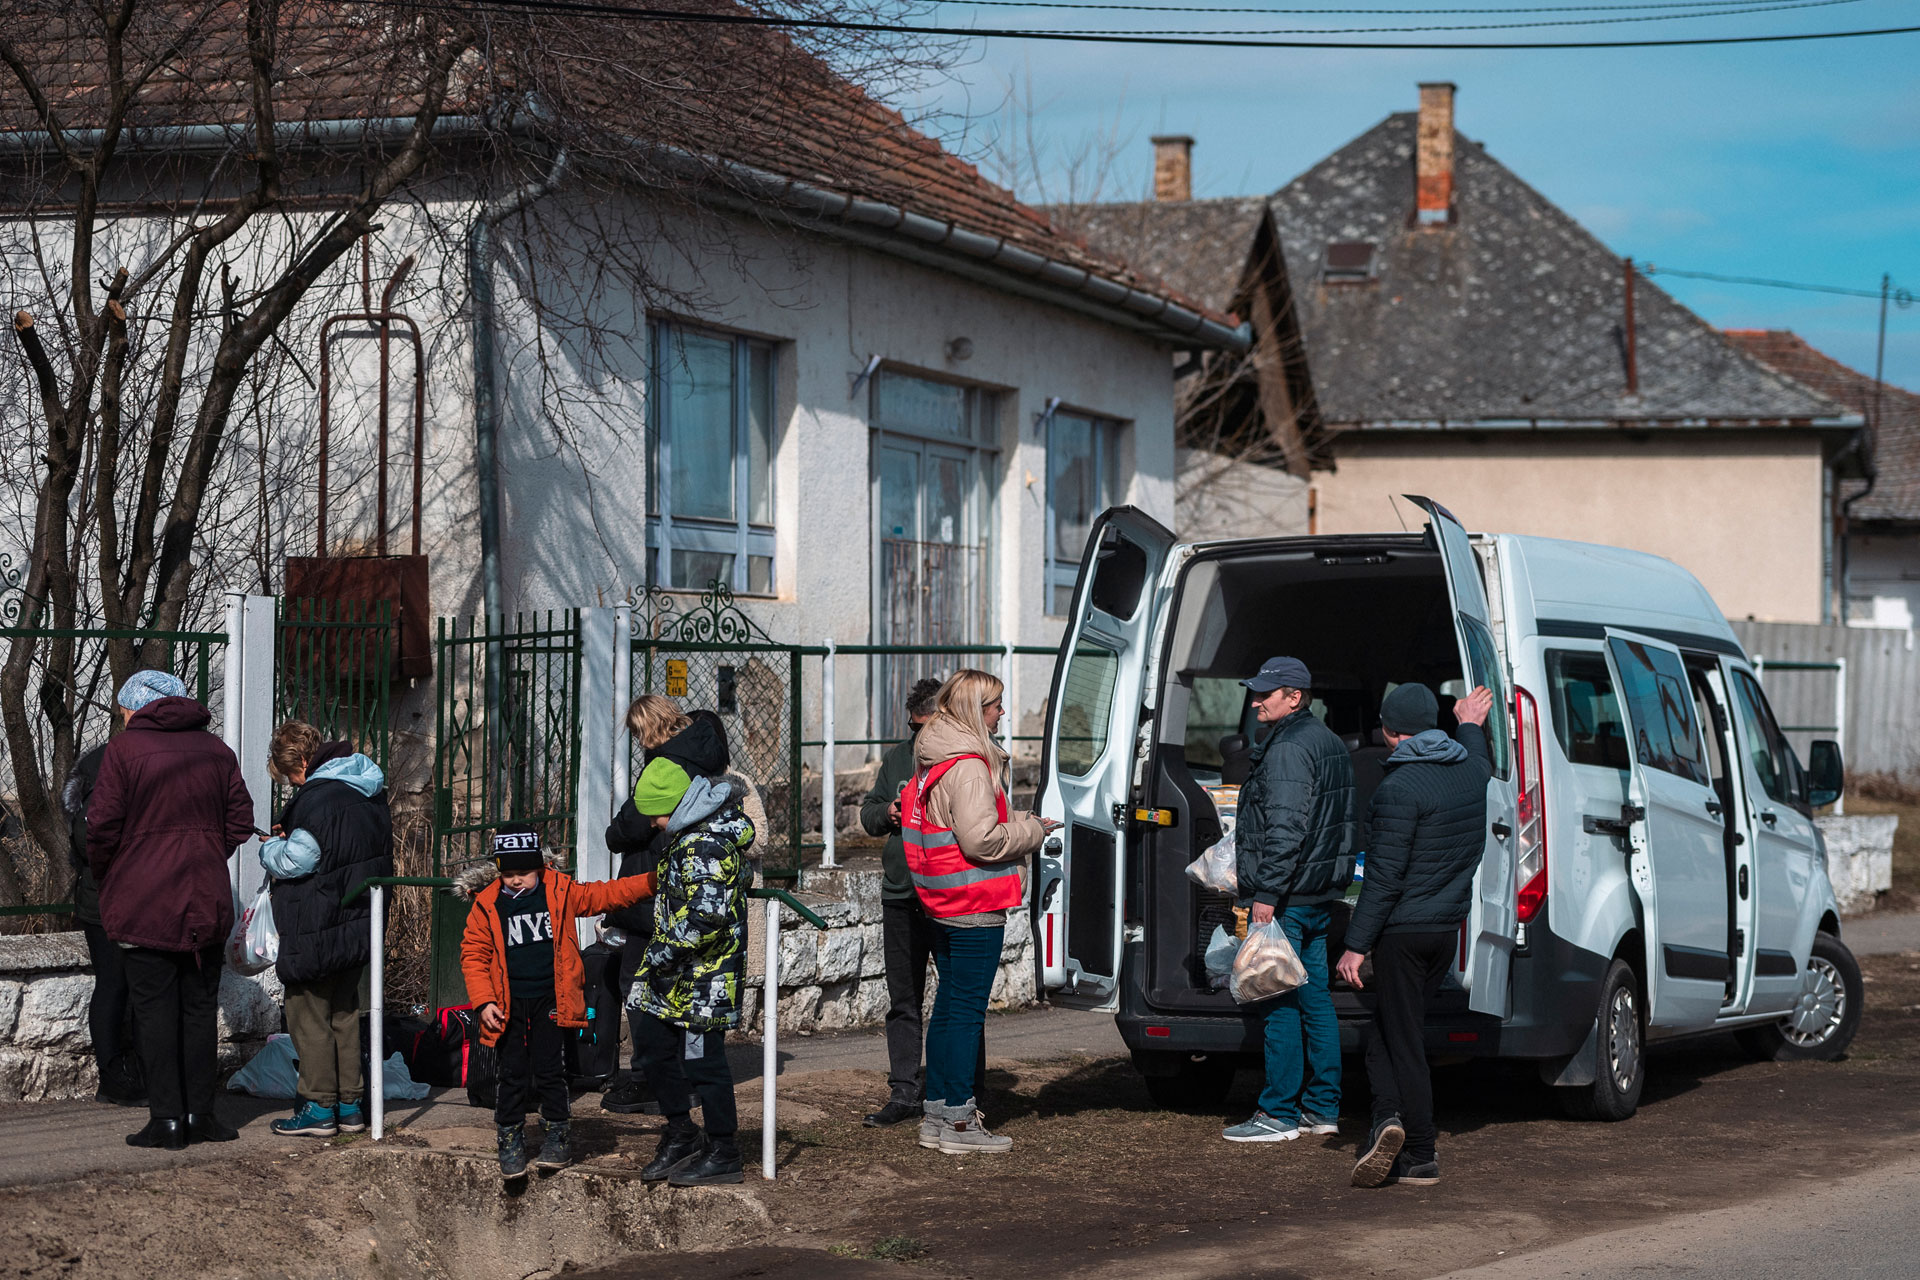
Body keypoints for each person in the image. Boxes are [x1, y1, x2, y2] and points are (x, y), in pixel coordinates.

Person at [87, 669, 255, 1150]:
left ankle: (166, 1120)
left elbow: (101, 828)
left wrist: (116, 873)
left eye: (122, 709)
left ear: (136, 707)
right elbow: (239, 822)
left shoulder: (124, 751)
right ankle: (202, 1114)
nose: (121, 717)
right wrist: (201, 854)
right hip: (204, 899)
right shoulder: (217, 750)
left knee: (153, 1010)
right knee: (199, 1010)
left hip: (144, 901)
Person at [1336, 682, 1494, 1189]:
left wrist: (1356, 945)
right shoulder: (1472, 772)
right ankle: (1386, 1120)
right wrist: (1469, 719)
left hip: (1402, 935)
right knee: (1386, 1032)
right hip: (1445, 932)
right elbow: (1475, 746)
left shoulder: (1398, 790)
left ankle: (1421, 1152)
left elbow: (1383, 879)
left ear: (1389, 732)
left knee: (1404, 1042)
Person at [904, 669, 1055, 1156]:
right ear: (975, 709)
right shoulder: (969, 765)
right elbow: (981, 839)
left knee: (948, 1009)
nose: (1002, 712)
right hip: (975, 903)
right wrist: (1032, 830)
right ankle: (961, 1124)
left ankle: (936, 1114)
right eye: (995, 704)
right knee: (966, 1012)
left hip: (943, 901)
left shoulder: (935, 756)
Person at [458, 822, 656, 1181]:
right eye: (509, 874)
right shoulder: (486, 904)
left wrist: (651, 882)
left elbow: (606, 895)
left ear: (541, 866)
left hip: (552, 998)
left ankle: (558, 1134)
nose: (517, 880)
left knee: (551, 1069)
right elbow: (473, 955)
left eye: (525, 872)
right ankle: (510, 1137)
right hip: (507, 1004)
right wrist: (484, 1001)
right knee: (512, 1072)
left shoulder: (560, 890)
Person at [602, 697, 765, 1114]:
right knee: (683, 995)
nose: (637, 741)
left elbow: (629, 825)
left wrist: (624, 828)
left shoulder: (667, 766)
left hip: (656, 888)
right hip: (679, 891)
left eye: (638, 732)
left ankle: (651, 1079)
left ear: (649, 727)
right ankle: (682, 1081)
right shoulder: (705, 755)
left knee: (641, 987)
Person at [1221, 657, 1356, 1145]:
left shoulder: (1288, 748)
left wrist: (1267, 895)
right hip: (1319, 894)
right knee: (1315, 1000)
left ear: (1294, 696)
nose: (1256, 701)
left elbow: (1285, 829)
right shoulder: (1327, 742)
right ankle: (1322, 1109)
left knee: (1276, 999)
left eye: (1265, 694)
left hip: (1288, 898)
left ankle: (1277, 1113)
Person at [626, 756, 758, 1188]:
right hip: (675, 974)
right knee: (652, 1048)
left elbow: (705, 917)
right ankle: (681, 1131)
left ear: (677, 805)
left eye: (657, 814)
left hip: (705, 977)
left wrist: (661, 954)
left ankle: (724, 1149)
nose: (654, 824)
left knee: (704, 1063)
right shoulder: (685, 837)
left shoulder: (706, 844)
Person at [258, 722, 393, 1138]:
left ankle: (318, 1106)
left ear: (301, 761)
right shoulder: (366, 787)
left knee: (307, 1012)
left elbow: (297, 860)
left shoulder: (317, 799)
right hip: (358, 919)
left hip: (317, 922)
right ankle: (351, 1105)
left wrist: (269, 848)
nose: (294, 785)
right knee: (345, 1011)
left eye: (291, 776)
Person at [858, 676, 967, 1129]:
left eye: (926, 726)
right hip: (901, 896)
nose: (918, 736)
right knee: (904, 999)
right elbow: (867, 814)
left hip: (947, 895)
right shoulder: (897, 758)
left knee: (956, 998)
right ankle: (904, 1090)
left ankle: (960, 1089)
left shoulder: (964, 759)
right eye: (912, 726)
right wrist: (887, 812)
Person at [61, 742, 146, 1108]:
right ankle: (114, 1077)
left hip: (121, 896)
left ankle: (129, 1072)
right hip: (105, 900)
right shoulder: (106, 771)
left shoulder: (113, 764)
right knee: (114, 985)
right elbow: (89, 838)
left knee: (130, 987)